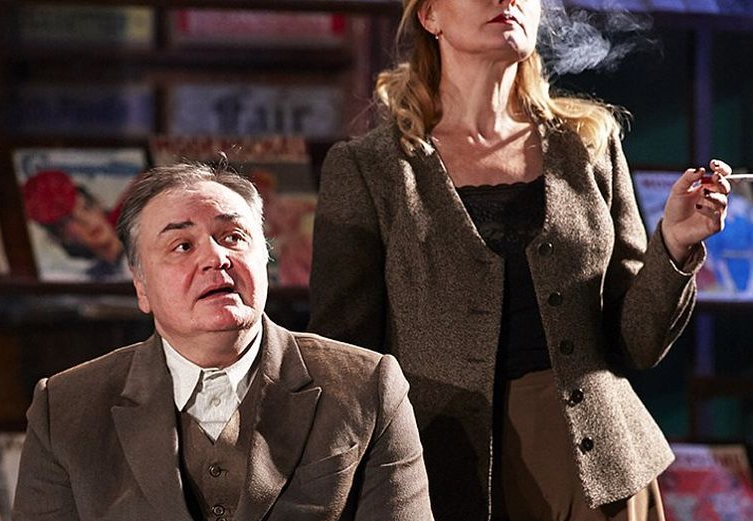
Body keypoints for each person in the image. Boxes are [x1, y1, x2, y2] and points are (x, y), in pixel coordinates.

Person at [307, 0, 732, 519]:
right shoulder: (368, 168)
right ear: (430, 16)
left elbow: (636, 344)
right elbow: (344, 359)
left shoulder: (588, 145)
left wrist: (675, 245)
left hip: (600, 472)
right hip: (440, 469)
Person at [12, 162, 434, 521]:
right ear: (141, 285)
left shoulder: (367, 386)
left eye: (233, 237)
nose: (215, 258)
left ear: (265, 257)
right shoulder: (64, 409)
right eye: (182, 245)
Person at [21, 169, 128, 280]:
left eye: (87, 207)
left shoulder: (135, 244)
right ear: (59, 237)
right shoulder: (92, 279)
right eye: (70, 220)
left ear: (99, 203)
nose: (86, 221)